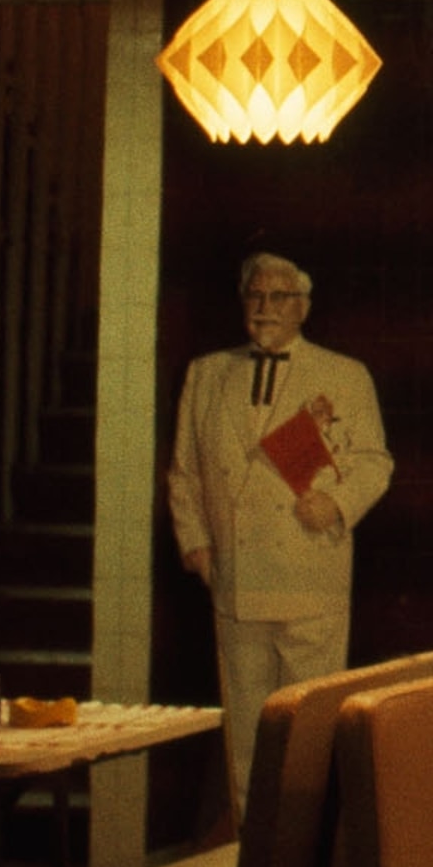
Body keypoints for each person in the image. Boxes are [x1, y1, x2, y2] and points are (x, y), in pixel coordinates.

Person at [166, 251, 393, 817]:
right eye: (255, 297)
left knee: (310, 724)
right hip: (234, 579)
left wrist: (338, 504)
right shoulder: (206, 373)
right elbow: (184, 469)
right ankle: (251, 855)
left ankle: (307, 856)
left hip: (309, 574)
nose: (265, 309)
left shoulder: (344, 374)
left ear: (304, 307)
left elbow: (374, 462)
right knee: (245, 731)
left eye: (278, 298)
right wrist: (195, 545)